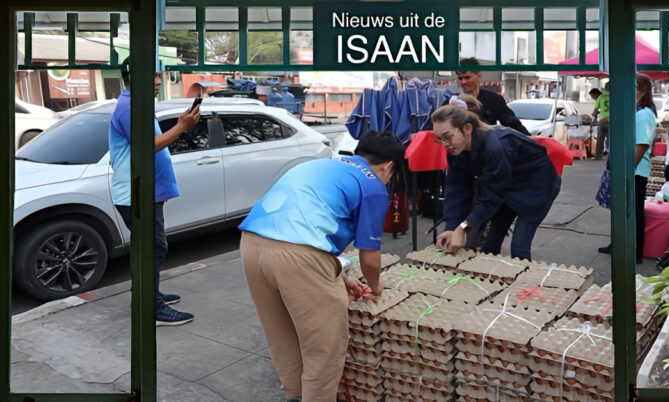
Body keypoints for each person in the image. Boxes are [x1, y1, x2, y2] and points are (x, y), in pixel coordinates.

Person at [238, 130, 404, 401]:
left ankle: (295, 394)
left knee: (282, 333)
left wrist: (339, 276)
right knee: (325, 346)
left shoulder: (325, 165)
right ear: (388, 166)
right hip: (299, 256)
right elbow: (369, 258)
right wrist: (376, 286)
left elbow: (307, 225)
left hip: (251, 244)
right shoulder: (372, 185)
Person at [109, 58, 199, 326]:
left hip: (145, 191)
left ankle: (150, 295)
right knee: (152, 249)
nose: (158, 81)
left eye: (159, 75)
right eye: (153, 75)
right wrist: (182, 126)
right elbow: (147, 145)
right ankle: (151, 307)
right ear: (133, 76)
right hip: (137, 194)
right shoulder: (129, 108)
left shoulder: (137, 104)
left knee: (151, 248)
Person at [431, 102, 561, 260]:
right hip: (505, 185)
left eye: (448, 137)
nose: (445, 144)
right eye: (439, 139)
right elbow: (457, 189)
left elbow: (492, 195)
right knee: (490, 245)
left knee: (519, 247)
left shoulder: (496, 146)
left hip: (536, 186)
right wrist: (452, 228)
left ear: (467, 129)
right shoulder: (455, 150)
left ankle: (524, 276)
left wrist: (462, 228)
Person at [597, 73, 657, 263]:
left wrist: (628, 170)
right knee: (621, 210)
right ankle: (619, 244)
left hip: (635, 171)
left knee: (634, 211)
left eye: (633, 88)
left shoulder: (644, 114)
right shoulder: (633, 111)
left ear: (642, 91)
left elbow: (642, 145)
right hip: (623, 167)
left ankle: (635, 251)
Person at [455, 57, 530, 135]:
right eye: (460, 78)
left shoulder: (494, 100)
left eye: (467, 77)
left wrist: (531, 140)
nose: (463, 82)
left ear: (478, 76)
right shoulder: (452, 101)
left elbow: (514, 125)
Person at [594, 81, 610, 160]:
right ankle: (609, 155)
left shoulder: (601, 96)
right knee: (610, 138)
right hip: (610, 120)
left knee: (600, 139)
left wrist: (595, 118)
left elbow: (596, 109)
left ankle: (598, 156)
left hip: (601, 120)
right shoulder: (615, 96)